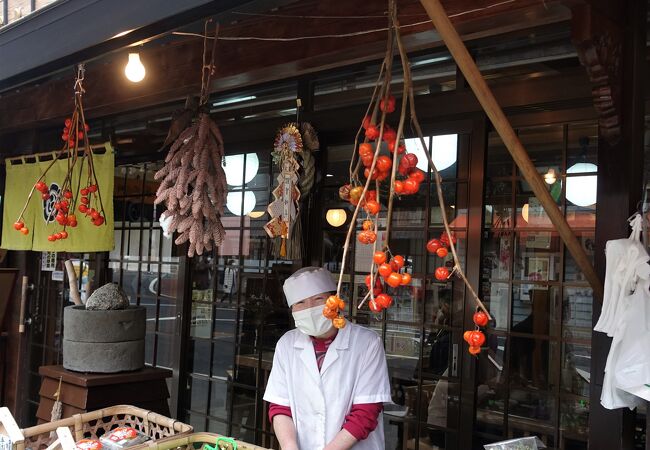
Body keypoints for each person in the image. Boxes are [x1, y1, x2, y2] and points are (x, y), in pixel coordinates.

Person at [264, 266, 392, 450]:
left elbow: (366, 412)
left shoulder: (367, 343)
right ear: (292, 309)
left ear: (334, 301)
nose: (309, 308)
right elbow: (280, 406)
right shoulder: (287, 344)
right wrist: (289, 446)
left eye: (318, 299)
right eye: (300, 303)